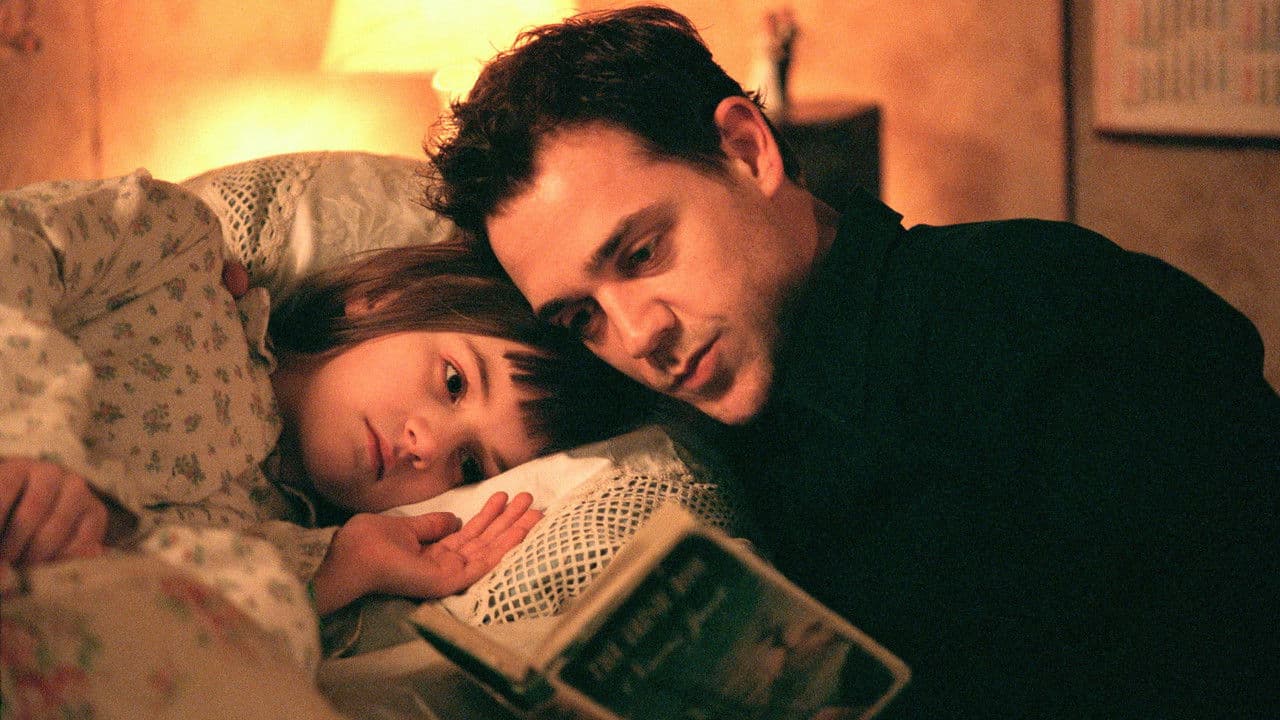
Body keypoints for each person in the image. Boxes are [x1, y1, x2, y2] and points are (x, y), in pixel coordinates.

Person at [422, 6, 1280, 718]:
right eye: (582, 318)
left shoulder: (1047, 313)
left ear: (748, 150)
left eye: (643, 253)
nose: (637, 336)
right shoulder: (701, 444)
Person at [0, 170, 629, 715]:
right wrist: (29, 438)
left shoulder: (275, 549)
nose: (428, 447)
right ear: (381, 301)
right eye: (454, 382)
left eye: (468, 467)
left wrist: (342, 575)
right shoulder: (182, 261)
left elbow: (180, 655)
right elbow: (15, 243)